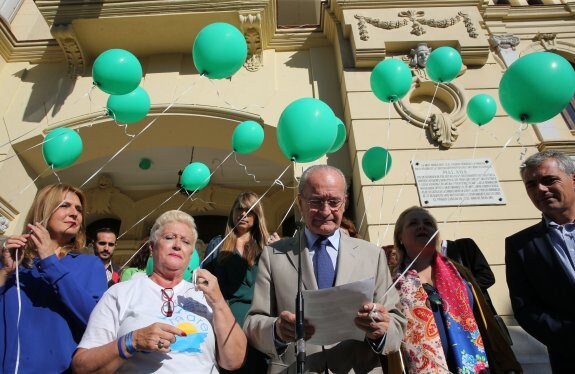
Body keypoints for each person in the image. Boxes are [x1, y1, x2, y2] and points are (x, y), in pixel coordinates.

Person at [244, 165, 406, 373]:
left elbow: (397, 324)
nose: (325, 210)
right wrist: (277, 330)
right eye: (316, 201)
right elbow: (253, 323)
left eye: (333, 201)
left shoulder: (371, 255)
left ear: (345, 202)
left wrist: (382, 329)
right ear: (300, 202)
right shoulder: (274, 255)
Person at [72, 210, 247, 373]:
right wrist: (133, 341)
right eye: (170, 237)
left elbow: (234, 361)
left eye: (185, 242)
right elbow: (82, 366)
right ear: (152, 246)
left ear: (191, 253)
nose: (178, 245)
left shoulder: (206, 295)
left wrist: (218, 302)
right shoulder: (120, 293)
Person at [390, 206, 521, 373]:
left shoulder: (460, 272)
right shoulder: (391, 280)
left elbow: (484, 319)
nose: (422, 226)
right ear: (400, 236)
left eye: (428, 223)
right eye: (413, 223)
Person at [0, 183, 107, 373]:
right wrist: (5, 272)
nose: (75, 213)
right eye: (65, 205)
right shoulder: (13, 257)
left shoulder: (90, 265)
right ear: (43, 210)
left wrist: (51, 263)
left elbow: (96, 320)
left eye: (79, 209)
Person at [505, 150, 575, 373]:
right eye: (531, 185)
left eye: (549, 180)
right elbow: (526, 308)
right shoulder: (520, 245)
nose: (540, 190)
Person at [203, 191, 280, 373]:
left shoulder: (265, 246)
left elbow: (278, 284)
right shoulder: (218, 244)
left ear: (257, 215)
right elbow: (206, 280)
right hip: (225, 316)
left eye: (249, 211)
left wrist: (278, 252)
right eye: (239, 209)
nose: (243, 214)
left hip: (257, 319)